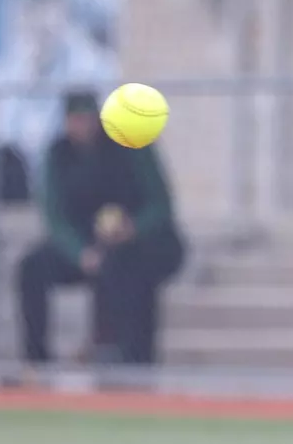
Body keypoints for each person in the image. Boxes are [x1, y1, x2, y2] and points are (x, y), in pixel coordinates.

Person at [18, 91, 184, 365]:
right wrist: (81, 253)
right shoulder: (58, 155)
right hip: (85, 244)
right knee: (32, 267)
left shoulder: (131, 145)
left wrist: (132, 229)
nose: (83, 126)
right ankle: (37, 362)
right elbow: (55, 217)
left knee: (126, 268)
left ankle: (130, 358)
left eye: (88, 118)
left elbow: (160, 206)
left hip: (142, 245)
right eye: (76, 119)